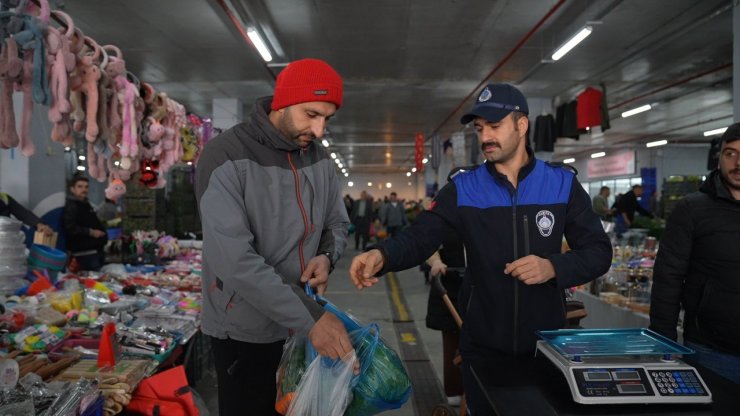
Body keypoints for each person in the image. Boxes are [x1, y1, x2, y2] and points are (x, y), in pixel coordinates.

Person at [348, 83, 612, 414]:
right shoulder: (464, 188)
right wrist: (381, 255)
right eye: (479, 128)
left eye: (494, 125)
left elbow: (599, 252)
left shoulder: (561, 184)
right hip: (484, 348)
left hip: (546, 347)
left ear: (522, 125)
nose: (485, 136)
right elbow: (420, 238)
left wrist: (553, 267)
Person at [195, 58, 353, 416]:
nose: (320, 130)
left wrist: (327, 257)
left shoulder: (319, 159)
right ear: (282, 102)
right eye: (311, 114)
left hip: (298, 328)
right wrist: (312, 319)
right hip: (243, 333)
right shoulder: (224, 158)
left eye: (327, 119)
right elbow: (234, 260)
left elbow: (337, 224)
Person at [650, 123, 740, 384]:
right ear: (719, 157)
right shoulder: (691, 210)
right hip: (711, 349)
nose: (738, 162)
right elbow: (668, 279)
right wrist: (662, 344)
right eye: (730, 153)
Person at [62, 176, 107, 271]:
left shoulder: (86, 205)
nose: (84, 189)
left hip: (94, 252)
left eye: (86, 187)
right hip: (84, 254)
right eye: (80, 187)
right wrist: (91, 232)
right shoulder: (72, 206)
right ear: (72, 189)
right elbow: (70, 228)